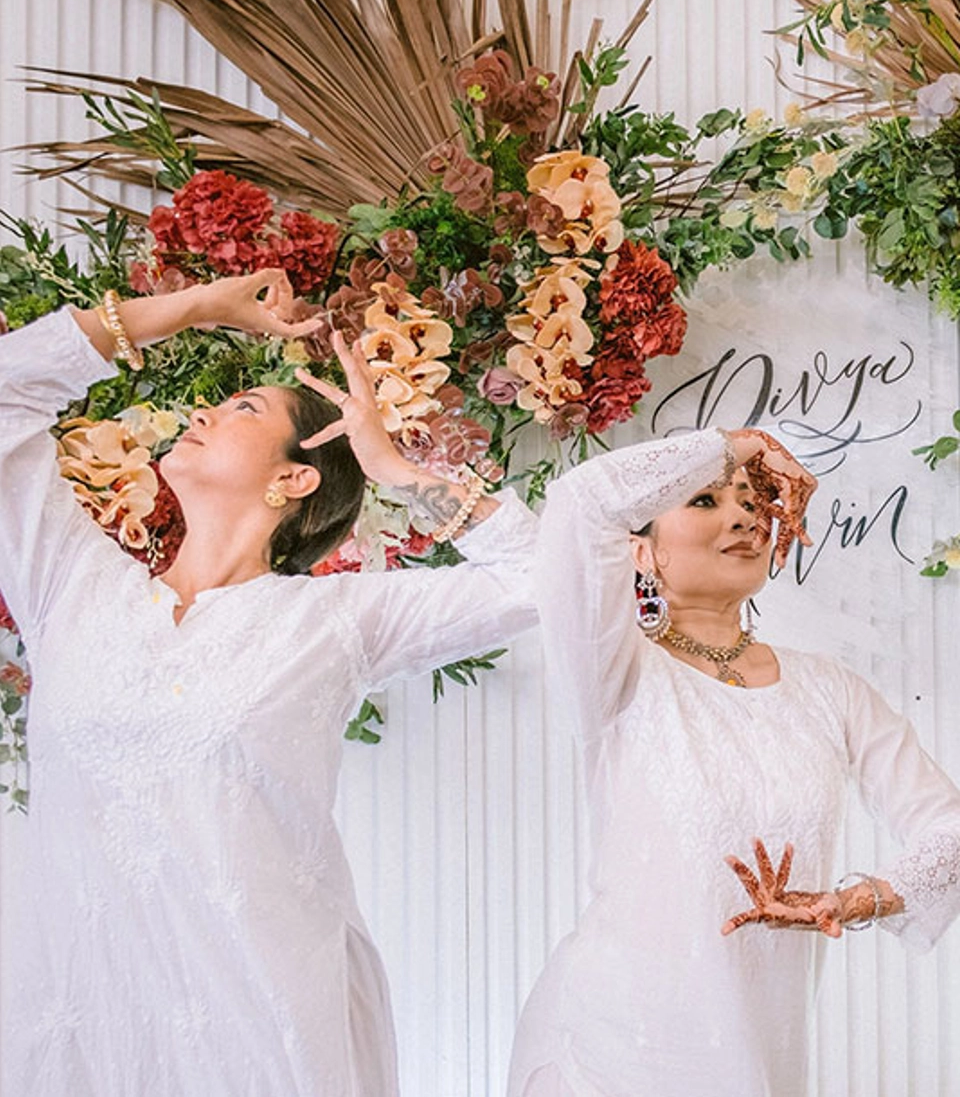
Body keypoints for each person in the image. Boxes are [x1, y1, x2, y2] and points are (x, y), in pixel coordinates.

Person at [0, 269, 538, 1097]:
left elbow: (543, 578)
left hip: (259, 1034)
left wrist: (397, 472)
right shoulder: (67, 582)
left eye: (244, 407)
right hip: (76, 1029)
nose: (204, 411)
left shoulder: (333, 623)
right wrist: (193, 308)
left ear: (296, 478)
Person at [507, 426, 960, 1097]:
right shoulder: (612, 668)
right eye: (704, 501)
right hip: (606, 1050)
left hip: (758, 1051)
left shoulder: (830, 689)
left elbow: (948, 829)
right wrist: (743, 446)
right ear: (642, 552)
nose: (745, 514)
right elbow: (579, 503)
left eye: (751, 500)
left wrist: (855, 899)